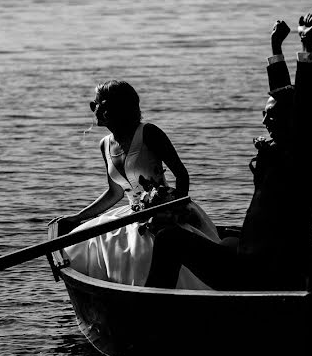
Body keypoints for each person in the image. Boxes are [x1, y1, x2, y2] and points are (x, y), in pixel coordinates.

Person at [144, 13, 312, 291]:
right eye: (263, 114)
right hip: (255, 257)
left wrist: (308, 46)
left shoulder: (301, 153)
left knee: (168, 239)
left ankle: (151, 306)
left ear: (291, 120)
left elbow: (305, 105)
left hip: (262, 271)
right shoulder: (282, 150)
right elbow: (284, 95)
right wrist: (275, 48)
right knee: (228, 240)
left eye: (271, 115)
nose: (264, 121)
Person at [56, 80, 220, 288]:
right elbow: (114, 192)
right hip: (132, 213)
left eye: (94, 104)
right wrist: (78, 217)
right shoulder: (104, 144)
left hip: (166, 210)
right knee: (78, 242)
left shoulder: (149, 133)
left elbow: (182, 174)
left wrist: (174, 210)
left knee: (144, 254)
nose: (93, 110)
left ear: (109, 108)